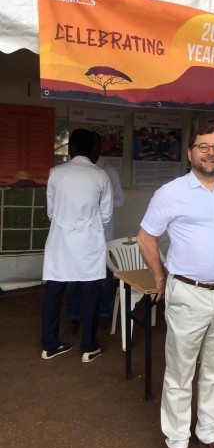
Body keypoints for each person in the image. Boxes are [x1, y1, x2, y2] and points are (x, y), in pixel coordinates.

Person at [136, 125, 214, 448]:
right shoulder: (171, 193)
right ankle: (176, 443)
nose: (211, 153)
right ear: (190, 153)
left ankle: (210, 433)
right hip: (187, 293)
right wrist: (160, 279)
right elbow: (146, 237)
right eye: (203, 146)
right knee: (180, 374)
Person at [41, 128, 113, 362]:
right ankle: (88, 346)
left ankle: (50, 345)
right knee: (90, 293)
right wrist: (85, 226)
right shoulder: (101, 176)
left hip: (60, 242)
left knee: (53, 293)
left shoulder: (55, 173)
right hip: (88, 244)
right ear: (94, 149)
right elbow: (106, 216)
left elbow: (51, 212)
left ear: (70, 148)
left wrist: (67, 223)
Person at [65, 131, 126, 333]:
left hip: (101, 235)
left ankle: (104, 313)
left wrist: (96, 205)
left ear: (98, 148)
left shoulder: (109, 171)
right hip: (76, 234)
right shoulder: (74, 170)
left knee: (104, 278)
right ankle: (74, 315)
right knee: (74, 277)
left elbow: (120, 200)